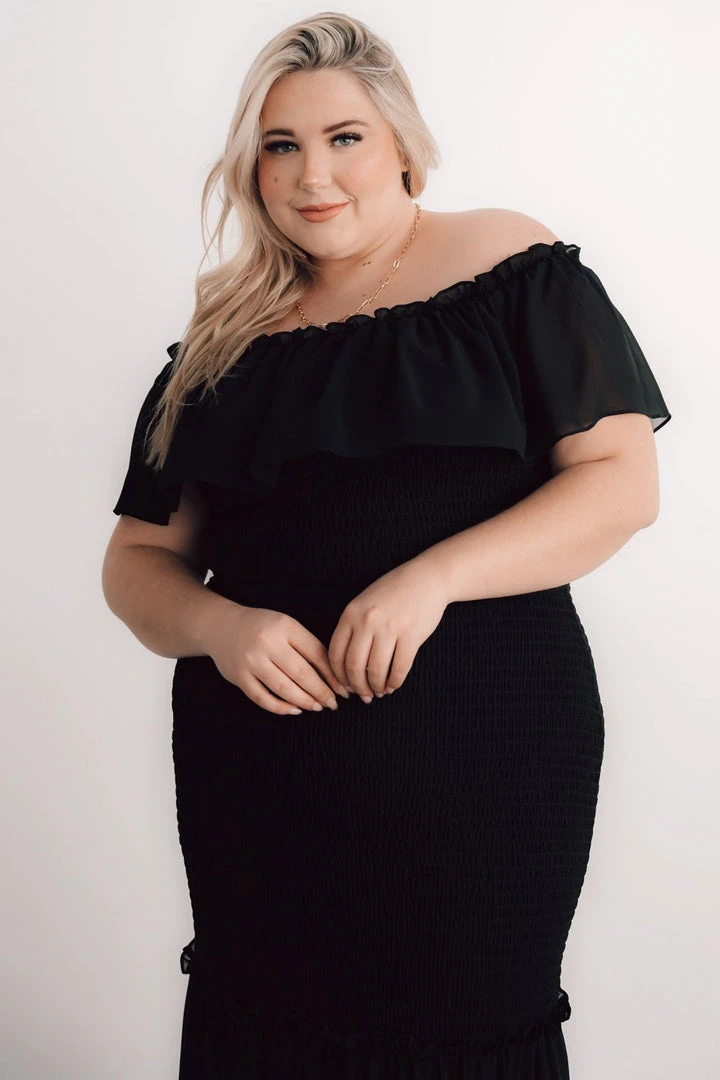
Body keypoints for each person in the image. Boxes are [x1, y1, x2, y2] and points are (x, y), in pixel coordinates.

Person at [102, 13, 672, 1080]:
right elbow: (135, 565)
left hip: (483, 761)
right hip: (261, 775)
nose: (312, 175)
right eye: (280, 146)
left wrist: (432, 579)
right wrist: (222, 626)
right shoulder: (225, 336)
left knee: (467, 1030)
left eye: (344, 137)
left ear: (404, 143)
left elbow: (620, 483)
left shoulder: (509, 265)